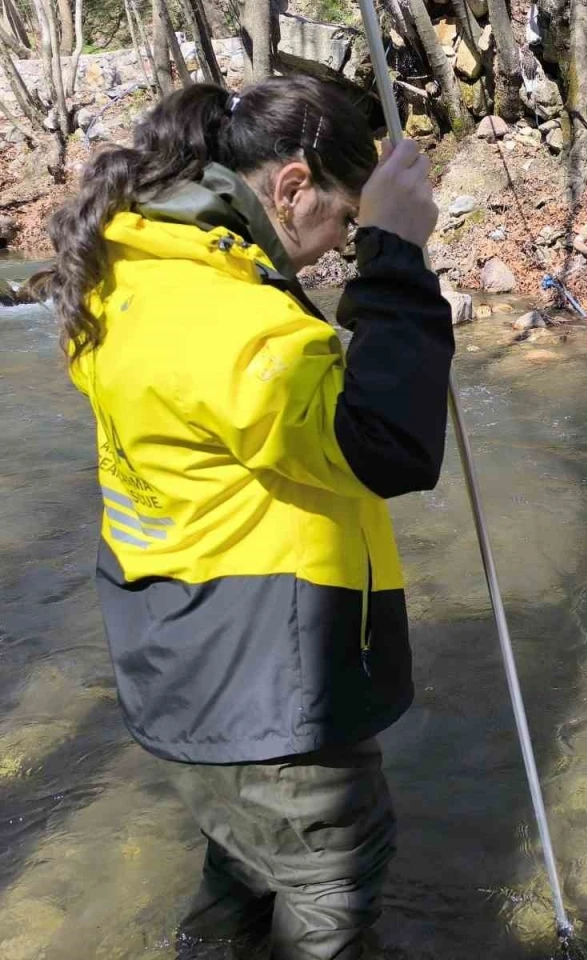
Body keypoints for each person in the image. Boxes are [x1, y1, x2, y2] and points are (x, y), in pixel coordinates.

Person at [31, 77, 454, 959]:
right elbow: (387, 448)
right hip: (270, 679)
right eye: (339, 218)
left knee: (243, 865)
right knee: (329, 881)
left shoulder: (134, 270)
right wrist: (396, 257)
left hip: (184, 659)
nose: (338, 243)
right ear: (292, 186)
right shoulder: (232, 317)